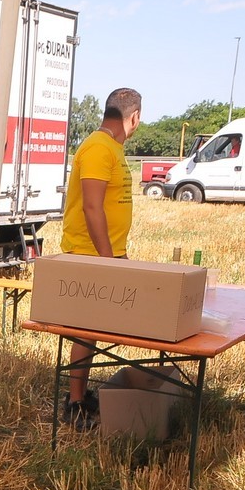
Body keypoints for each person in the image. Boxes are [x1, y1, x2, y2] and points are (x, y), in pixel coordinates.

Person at [60, 87, 142, 430]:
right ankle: (74, 404)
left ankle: (80, 394)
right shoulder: (97, 147)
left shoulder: (111, 147)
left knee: (90, 332)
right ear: (134, 117)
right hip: (89, 256)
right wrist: (108, 261)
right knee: (83, 331)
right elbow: (92, 207)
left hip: (103, 254)